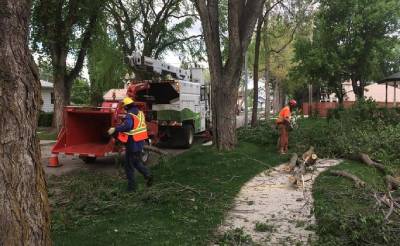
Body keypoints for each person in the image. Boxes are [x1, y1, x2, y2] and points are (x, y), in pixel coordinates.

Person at [108, 97, 153, 191]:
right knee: (136, 162)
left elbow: (128, 126)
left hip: (132, 144)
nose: (124, 109)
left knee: (129, 166)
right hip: (140, 142)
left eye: (124, 107)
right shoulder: (140, 113)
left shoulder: (130, 115)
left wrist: (115, 129)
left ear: (127, 107)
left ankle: (131, 189)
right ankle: (148, 175)